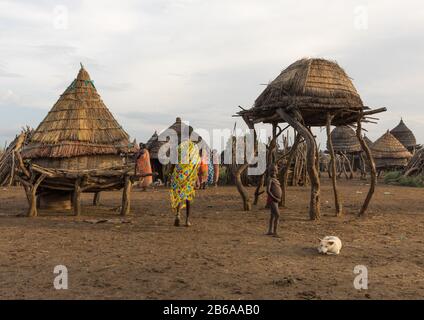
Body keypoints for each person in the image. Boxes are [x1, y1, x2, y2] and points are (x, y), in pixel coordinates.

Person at [169, 140, 200, 227]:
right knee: (188, 196)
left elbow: (174, 162)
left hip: (178, 175)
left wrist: (170, 173)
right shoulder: (195, 148)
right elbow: (196, 164)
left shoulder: (180, 146)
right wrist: (197, 177)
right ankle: (187, 220)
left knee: (179, 195)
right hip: (189, 175)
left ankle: (178, 215)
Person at [266, 164, 282, 237]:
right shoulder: (270, 179)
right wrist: (275, 198)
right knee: (277, 215)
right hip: (273, 200)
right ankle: (275, 232)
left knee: (272, 215)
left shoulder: (276, 179)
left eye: (275, 170)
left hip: (276, 200)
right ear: (269, 171)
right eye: (272, 170)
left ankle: (270, 231)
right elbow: (268, 191)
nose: (274, 172)